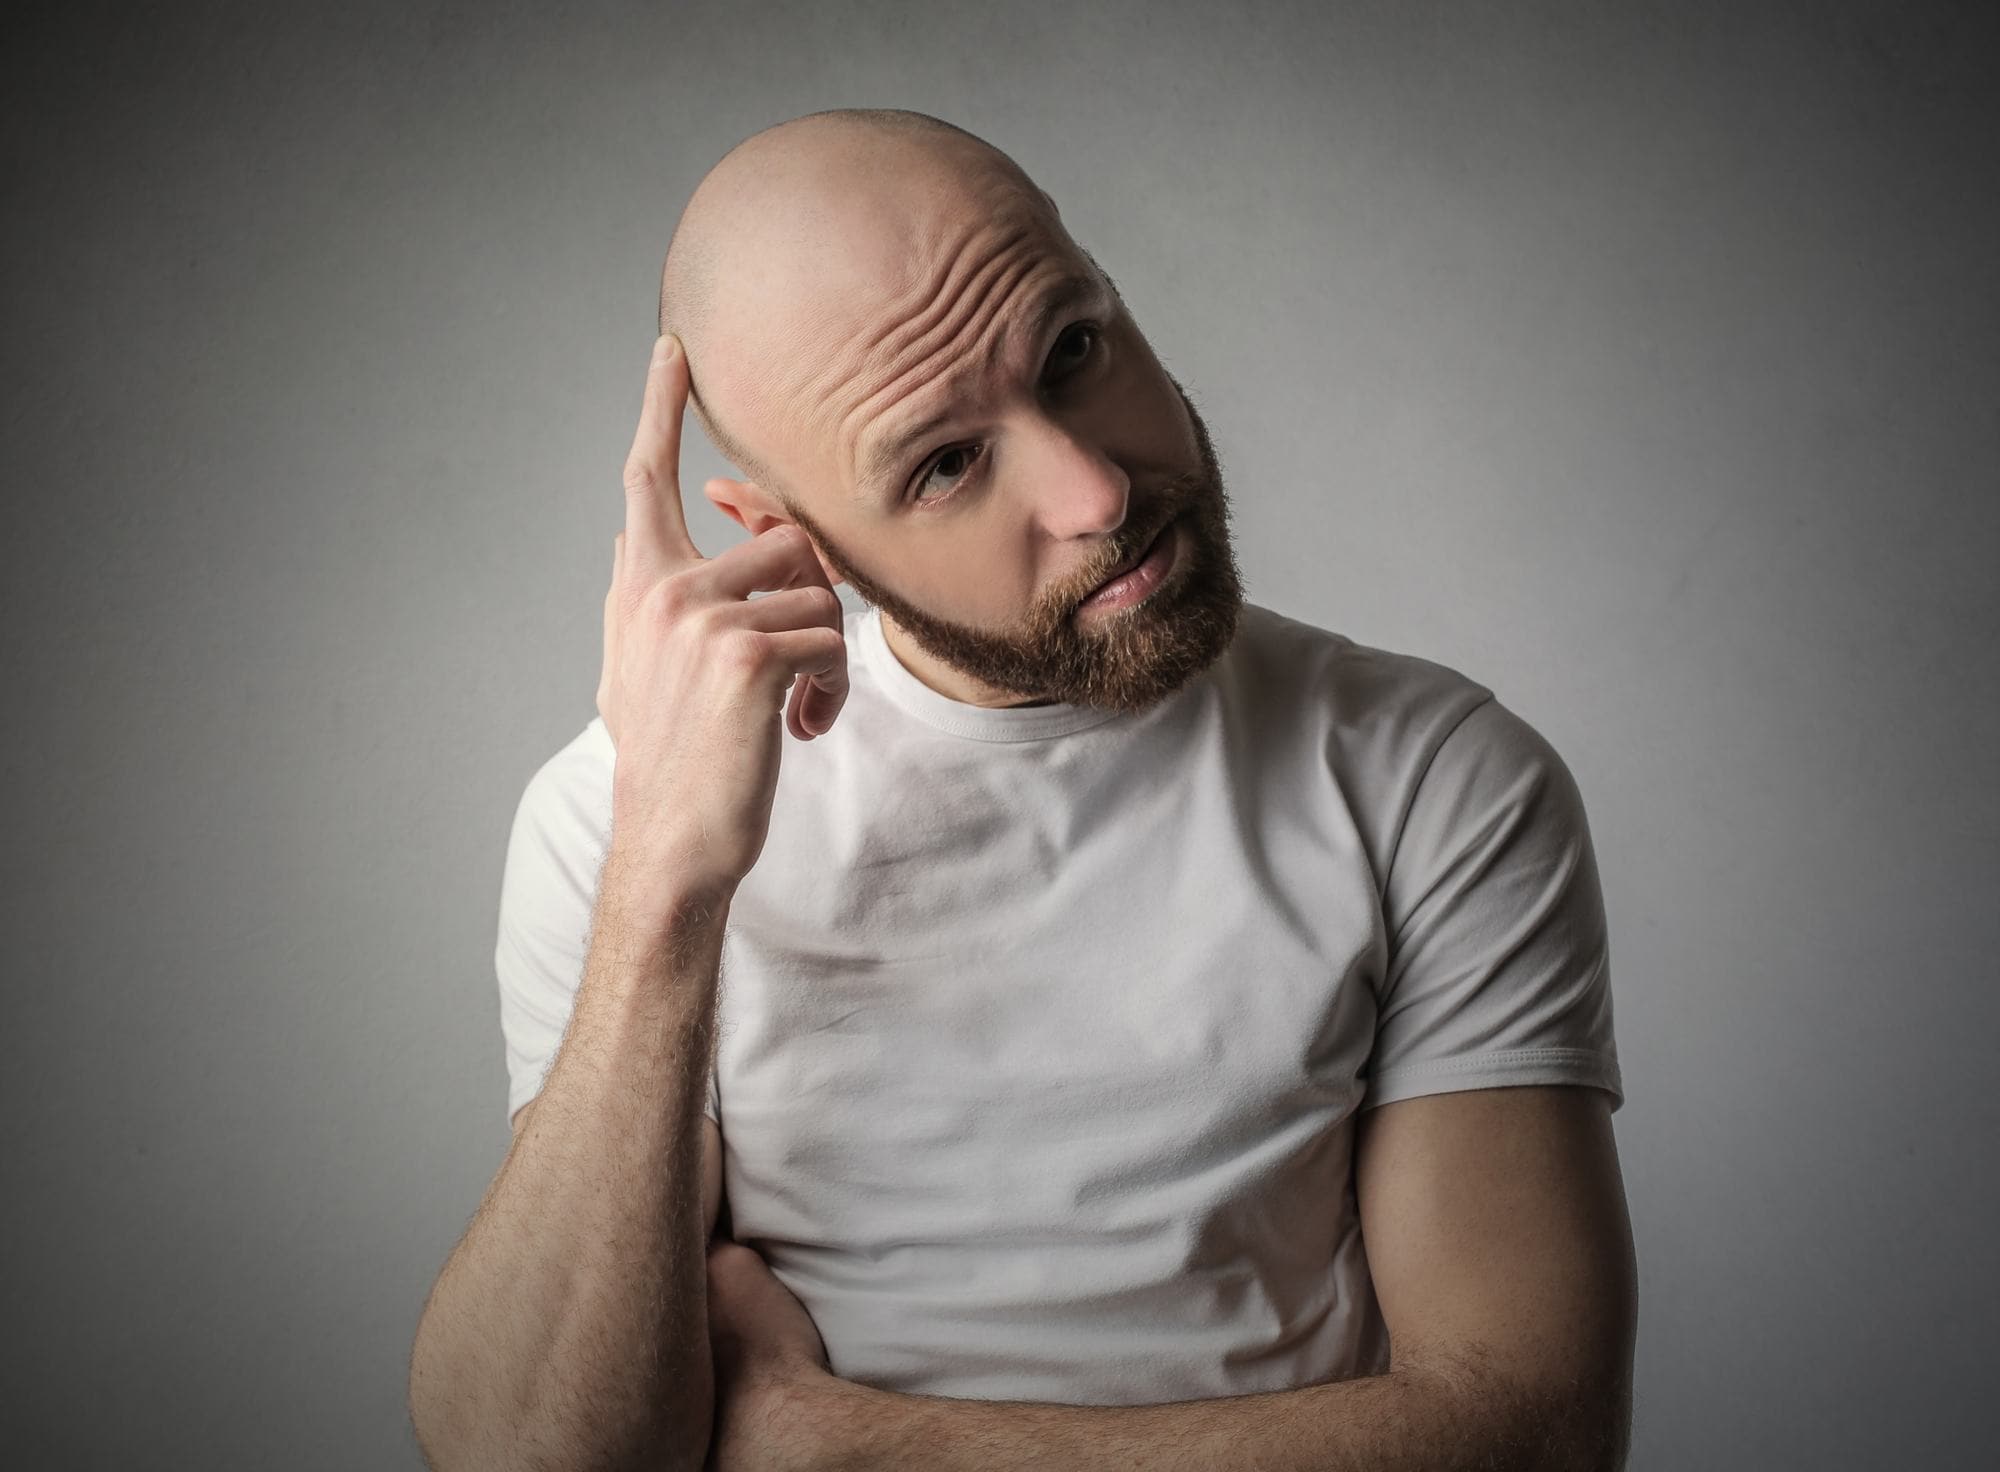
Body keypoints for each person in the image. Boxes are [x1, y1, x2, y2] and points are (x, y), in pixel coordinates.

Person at [408, 108, 1637, 1472]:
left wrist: (833, 1449)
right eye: (945, 463)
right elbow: (526, 1458)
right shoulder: (614, 826)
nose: (1096, 487)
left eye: (1072, 349)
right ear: (791, 540)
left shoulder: (1430, 778)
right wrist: (665, 880)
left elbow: (1535, 1433)